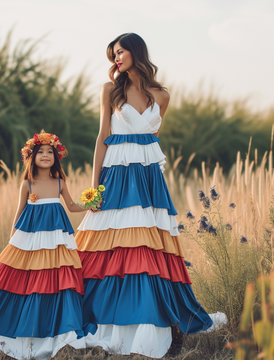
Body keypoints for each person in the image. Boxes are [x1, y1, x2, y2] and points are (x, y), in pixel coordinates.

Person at [75, 33, 214, 358]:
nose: (116, 59)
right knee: (106, 245)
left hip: (149, 183)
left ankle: (153, 319)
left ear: (136, 52)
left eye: (120, 51)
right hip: (117, 178)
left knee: (148, 249)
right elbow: (102, 138)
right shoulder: (110, 90)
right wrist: (95, 187)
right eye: (113, 54)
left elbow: (151, 140)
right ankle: (101, 315)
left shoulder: (161, 95)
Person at [0, 130, 87, 360]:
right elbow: (18, 213)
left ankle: (56, 331)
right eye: (41, 152)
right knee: (25, 282)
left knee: (56, 280)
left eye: (50, 152)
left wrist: (91, 204)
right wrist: (13, 242)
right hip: (30, 240)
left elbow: (71, 206)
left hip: (56, 241)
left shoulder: (60, 182)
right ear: (32, 157)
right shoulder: (27, 184)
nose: (46, 155)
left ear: (56, 157)